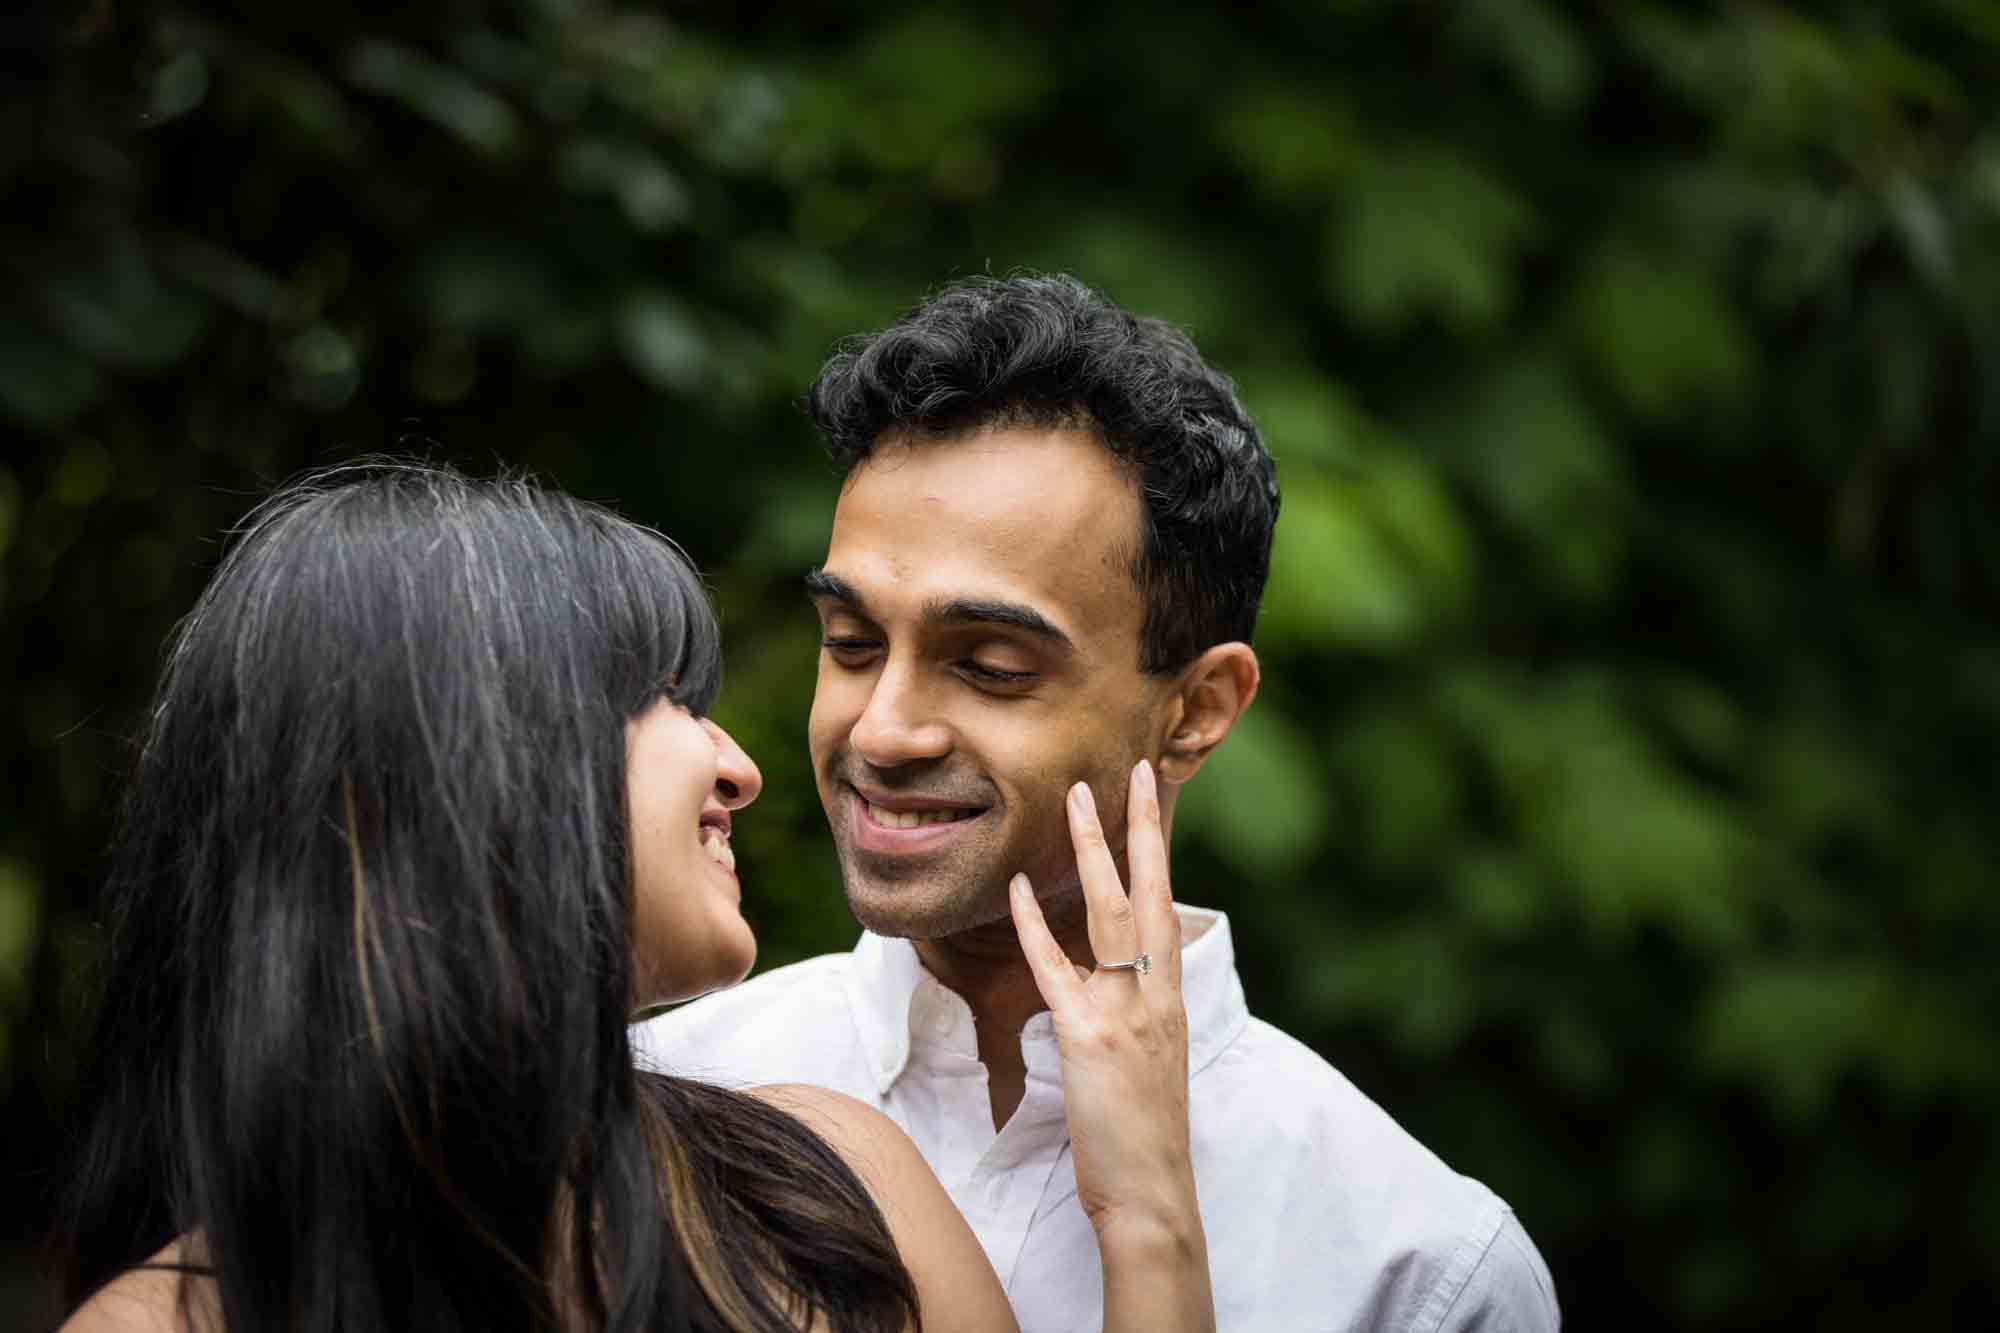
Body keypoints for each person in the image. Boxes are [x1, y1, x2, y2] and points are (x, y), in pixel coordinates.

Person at [53, 463, 1213, 1332]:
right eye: (658, 695)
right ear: (468, 760)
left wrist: (1150, 1219)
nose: (739, 766)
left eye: (990, 667)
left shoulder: (824, 1196)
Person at [636, 274, 1561, 1330]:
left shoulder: (1411, 1265)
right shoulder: (652, 1097)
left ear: (1197, 709)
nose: (882, 730)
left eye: (986, 664)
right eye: (849, 644)